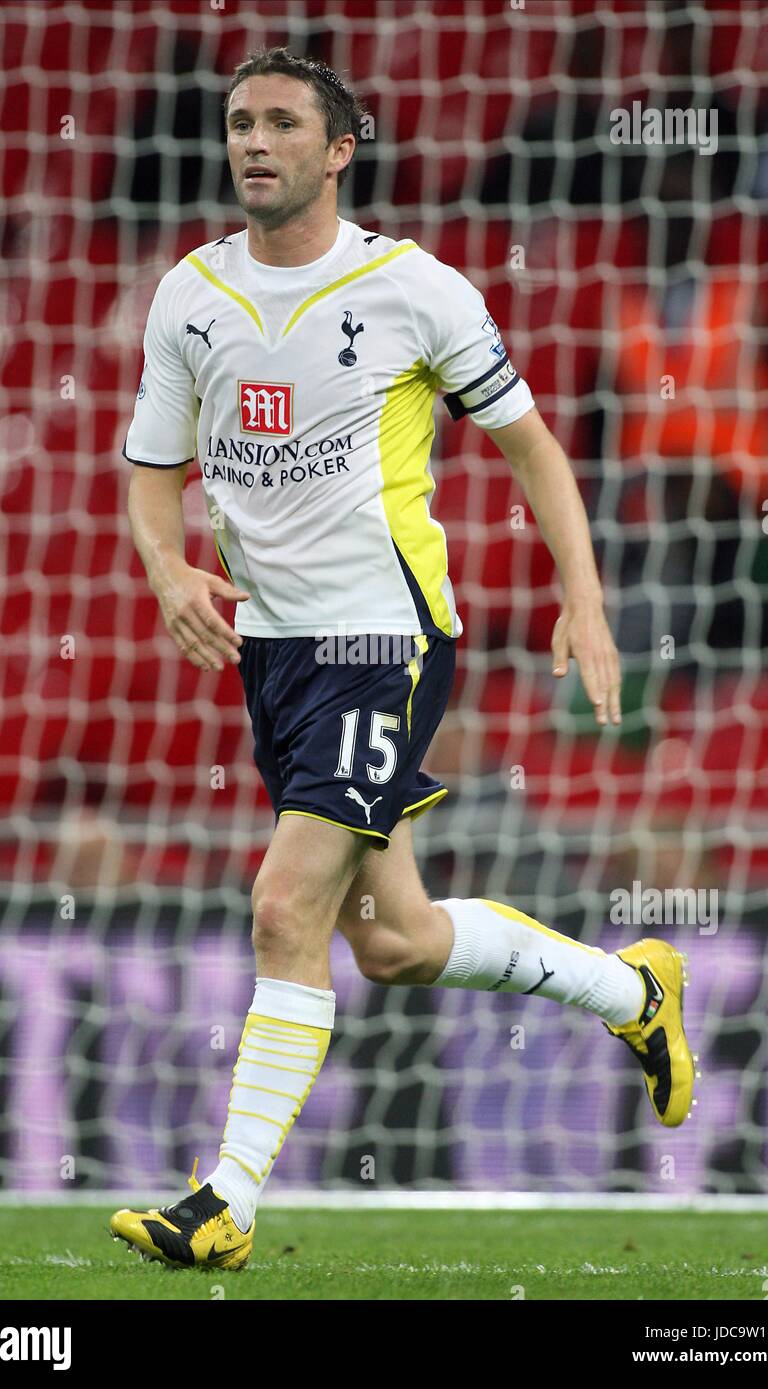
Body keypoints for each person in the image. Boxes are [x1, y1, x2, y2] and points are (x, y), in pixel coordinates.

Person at [110, 47, 694, 1272]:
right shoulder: (191, 295)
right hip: (274, 652)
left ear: (338, 151)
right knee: (396, 941)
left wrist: (583, 601)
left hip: (388, 639)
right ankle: (634, 993)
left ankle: (224, 1200)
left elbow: (533, 448)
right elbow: (152, 469)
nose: (252, 142)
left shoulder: (412, 289)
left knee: (284, 908)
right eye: (238, 123)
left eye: (281, 123)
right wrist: (167, 570)